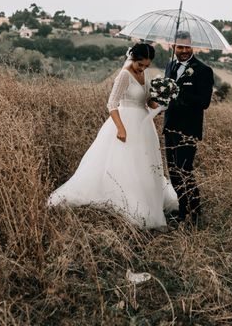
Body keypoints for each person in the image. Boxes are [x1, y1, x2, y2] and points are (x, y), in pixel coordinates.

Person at [48, 43, 178, 229]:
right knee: (124, 164)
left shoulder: (145, 75)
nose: (142, 68)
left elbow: (147, 100)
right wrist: (120, 128)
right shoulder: (124, 75)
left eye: (146, 66)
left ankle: (148, 203)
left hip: (143, 126)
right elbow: (112, 104)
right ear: (133, 58)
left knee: (144, 164)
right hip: (125, 122)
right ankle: (126, 204)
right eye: (140, 64)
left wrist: (162, 97)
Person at [163, 31, 214, 227]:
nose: (183, 51)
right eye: (179, 47)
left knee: (185, 170)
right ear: (173, 47)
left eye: (187, 47)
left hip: (188, 129)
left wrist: (178, 93)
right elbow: (167, 96)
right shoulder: (170, 65)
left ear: (192, 47)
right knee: (173, 172)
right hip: (170, 126)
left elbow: (204, 102)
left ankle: (196, 213)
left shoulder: (203, 70)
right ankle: (182, 211)